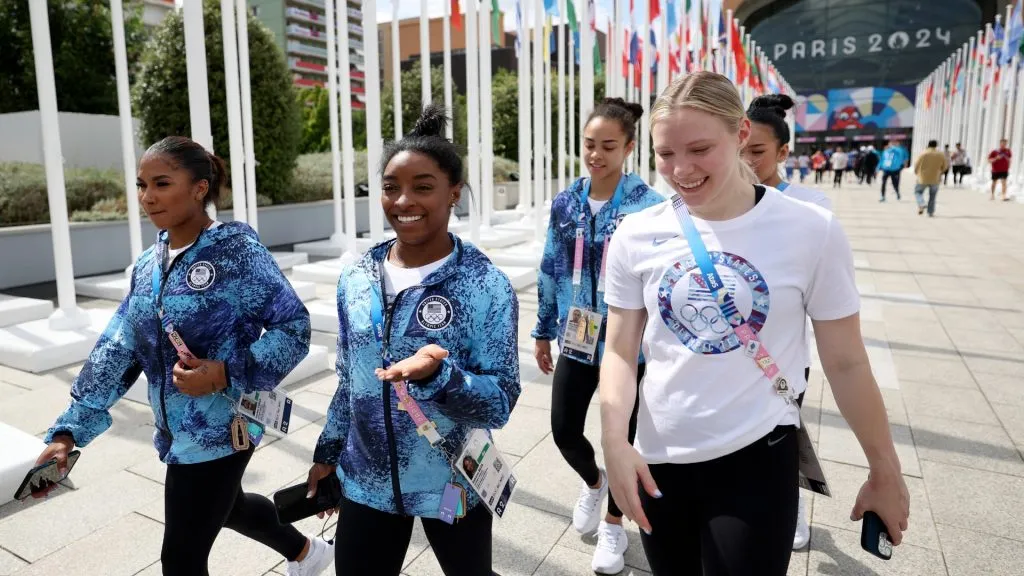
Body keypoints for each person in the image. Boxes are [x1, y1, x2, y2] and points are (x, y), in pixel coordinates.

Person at [599, 72, 910, 575]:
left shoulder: (810, 229)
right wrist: (614, 441)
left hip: (756, 458)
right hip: (658, 460)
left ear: (742, 133)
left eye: (700, 149)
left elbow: (847, 361)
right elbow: (618, 350)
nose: (681, 170)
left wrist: (885, 468)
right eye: (664, 154)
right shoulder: (636, 234)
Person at [33, 136, 330, 576]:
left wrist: (226, 373)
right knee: (228, 508)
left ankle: (308, 553)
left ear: (199, 187)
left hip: (222, 428)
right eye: (141, 184)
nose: (147, 197)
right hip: (175, 432)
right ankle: (309, 553)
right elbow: (119, 346)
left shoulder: (236, 253)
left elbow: (293, 327)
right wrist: (68, 432)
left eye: (162, 183)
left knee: (181, 556)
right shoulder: (148, 266)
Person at [306, 105, 521, 576]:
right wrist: (328, 451)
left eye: (423, 187)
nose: (404, 201)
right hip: (366, 481)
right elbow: (350, 380)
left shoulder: (484, 285)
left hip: (451, 477)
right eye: (391, 187)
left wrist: (439, 377)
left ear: (454, 193)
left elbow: (501, 400)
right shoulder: (357, 278)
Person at [533, 97, 664, 574]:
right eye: (589, 144)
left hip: (631, 346)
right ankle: (594, 483)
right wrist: (543, 330)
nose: (596, 154)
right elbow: (549, 266)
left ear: (629, 147)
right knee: (564, 430)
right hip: (578, 335)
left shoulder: (649, 207)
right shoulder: (566, 202)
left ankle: (614, 526)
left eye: (608, 146)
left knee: (626, 439)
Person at [742, 93, 831, 551]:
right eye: (740, 148)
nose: (746, 160)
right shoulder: (717, 200)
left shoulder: (809, 206)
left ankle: (790, 509)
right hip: (726, 351)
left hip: (780, 355)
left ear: (782, 153)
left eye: (757, 151)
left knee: (781, 434)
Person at [913, 139, 949, 217]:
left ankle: (921, 203)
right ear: (936, 146)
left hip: (922, 177)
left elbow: (917, 164)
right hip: (935, 178)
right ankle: (930, 212)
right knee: (932, 196)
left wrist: (916, 172)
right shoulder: (940, 154)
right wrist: (940, 172)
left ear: (928, 145)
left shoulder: (923, 153)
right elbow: (945, 166)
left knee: (918, 192)